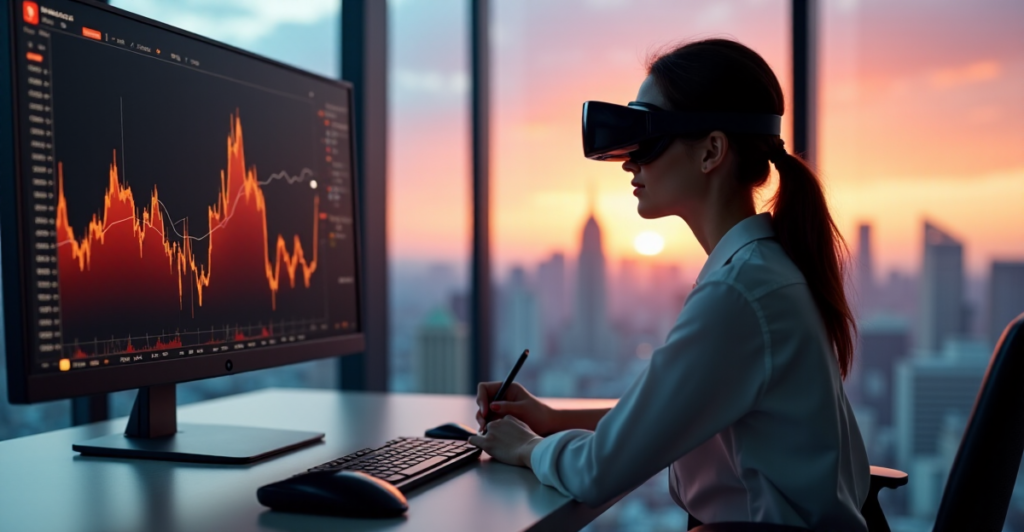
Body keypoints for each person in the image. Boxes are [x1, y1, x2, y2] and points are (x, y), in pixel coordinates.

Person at [467, 39, 870, 530]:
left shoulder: (739, 294)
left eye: (648, 136)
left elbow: (597, 471)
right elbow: (670, 414)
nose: (629, 162)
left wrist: (528, 448)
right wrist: (551, 419)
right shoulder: (762, 272)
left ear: (711, 152)